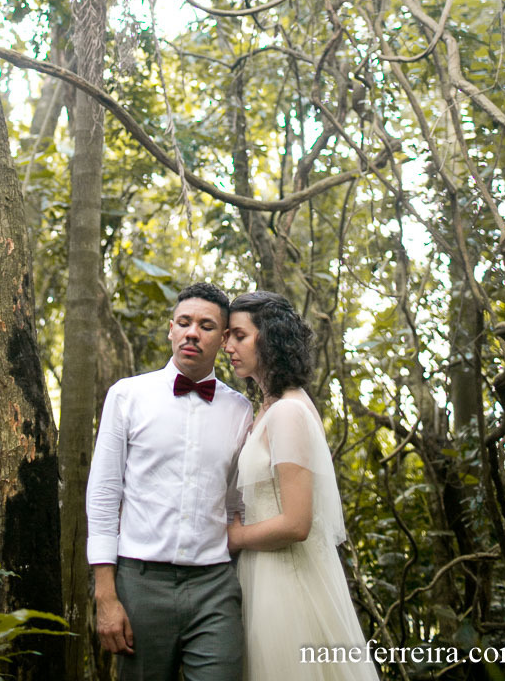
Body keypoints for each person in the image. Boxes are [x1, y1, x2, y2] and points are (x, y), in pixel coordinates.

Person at [86, 281, 253, 681]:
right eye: (184, 322)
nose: (193, 332)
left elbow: (236, 503)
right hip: (140, 583)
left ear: (224, 337)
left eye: (207, 325)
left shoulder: (241, 409)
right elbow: (105, 495)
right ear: (171, 329)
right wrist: (106, 595)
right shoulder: (127, 396)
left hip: (214, 585)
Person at [224, 291, 379, 681]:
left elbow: (296, 522)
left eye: (239, 336)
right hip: (262, 572)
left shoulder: (289, 412)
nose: (228, 346)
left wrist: (235, 537)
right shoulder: (269, 407)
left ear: (269, 338)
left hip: (286, 579)